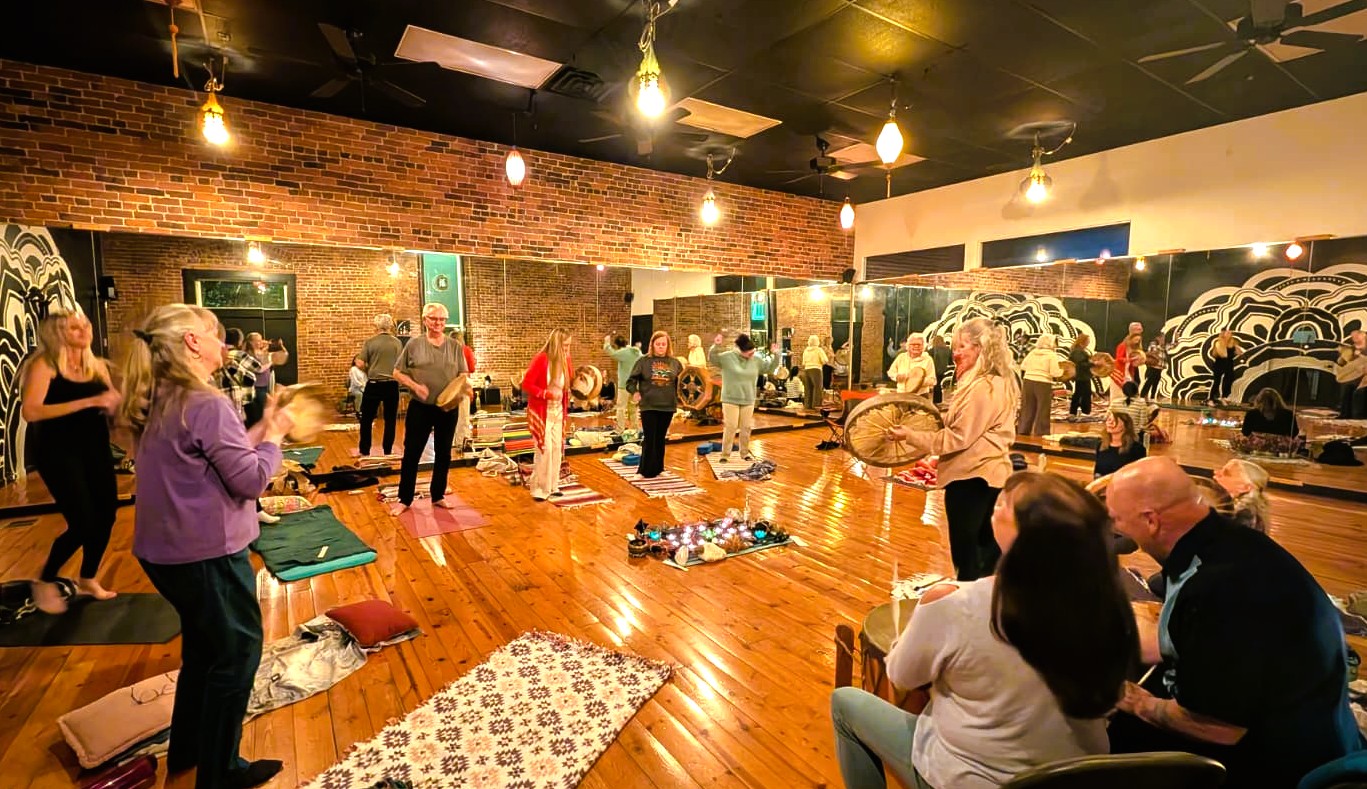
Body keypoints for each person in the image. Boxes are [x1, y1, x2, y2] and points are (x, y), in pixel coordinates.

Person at [830, 472, 1137, 789]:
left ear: (1024, 533)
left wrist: (902, 644)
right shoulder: (1109, 604)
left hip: (976, 779)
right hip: (1078, 776)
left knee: (844, 702)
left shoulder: (955, 602)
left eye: (1005, 502)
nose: (996, 504)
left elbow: (902, 675)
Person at [1106, 457, 1363, 788]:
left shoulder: (1220, 588)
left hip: (1279, 761)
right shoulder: (1223, 543)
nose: (1113, 529)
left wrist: (1136, 701)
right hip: (1291, 718)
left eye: (1116, 519)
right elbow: (1188, 640)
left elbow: (1219, 728)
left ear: (1151, 520)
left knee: (1107, 743)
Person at [119, 303, 291, 789]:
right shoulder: (204, 401)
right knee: (237, 655)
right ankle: (220, 773)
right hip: (206, 553)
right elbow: (250, 480)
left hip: (165, 553)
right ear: (192, 342)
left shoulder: (161, 394)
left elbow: (218, 455)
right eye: (215, 335)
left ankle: (189, 751)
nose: (224, 344)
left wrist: (263, 428)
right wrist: (276, 438)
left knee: (204, 650)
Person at [888, 318, 1018, 581]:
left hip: (973, 477)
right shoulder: (993, 382)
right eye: (954, 346)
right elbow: (967, 426)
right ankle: (984, 599)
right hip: (986, 475)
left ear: (981, 348)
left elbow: (958, 437)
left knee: (968, 555)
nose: (955, 353)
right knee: (984, 550)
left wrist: (909, 436)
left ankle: (972, 601)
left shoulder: (984, 387)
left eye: (962, 346)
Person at [19, 309, 122, 614]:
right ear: (57, 334)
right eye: (74, 327)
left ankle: (88, 577)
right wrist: (89, 401)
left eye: (85, 325)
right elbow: (31, 411)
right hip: (58, 451)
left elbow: (112, 404)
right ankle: (45, 579)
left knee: (106, 515)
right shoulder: (45, 365)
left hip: (95, 447)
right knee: (83, 521)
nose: (84, 330)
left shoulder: (96, 366)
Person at [389, 303, 467, 515]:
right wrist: (415, 386)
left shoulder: (454, 346)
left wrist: (460, 390)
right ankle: (404, 499)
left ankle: (438, 495)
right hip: (420, 407)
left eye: (442, 319)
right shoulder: (414, 344)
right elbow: (397, 372)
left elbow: (463, 374)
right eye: (433, 318)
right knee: (412, 453)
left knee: (444, 453)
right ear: (425, 320)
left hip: (447, 408)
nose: (438, 323)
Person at [709, 333, 778, 462]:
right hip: (730, 398)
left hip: (748, 398)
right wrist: (716, 345)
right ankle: (725, 455)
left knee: (746, 427)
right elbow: (713, 359)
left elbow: (769, 368)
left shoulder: (756, 360)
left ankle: (744, 453)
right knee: (731, 427)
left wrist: (776, 354)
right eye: (749, 353)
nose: (752, 355)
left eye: (753, 352)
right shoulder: (728, 357)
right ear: (740, 350)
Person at [522, 329, 572, 502]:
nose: (568, 349)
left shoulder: (566, 360)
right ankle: (539, 488)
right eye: (565, 345)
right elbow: (527, 384)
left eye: (569, 345)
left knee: (557, 447)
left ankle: (553, 486)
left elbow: (568, 384)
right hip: (541, 411)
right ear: (556, 344)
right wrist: (545, 394)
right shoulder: (542, 359)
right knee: (545, 449)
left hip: (558, 410)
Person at [626, 331, 682, 479]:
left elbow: (682, 383)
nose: (661, 347)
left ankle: (659, 468)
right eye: (658, 344)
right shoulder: (643, 361)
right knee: (649, 438)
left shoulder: (675, 363)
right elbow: (631, 381)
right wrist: (635, 392)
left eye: (663, 344)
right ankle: (643, 471)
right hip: (649, 405)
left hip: (668, 405)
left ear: (668, 345)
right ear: (652, 345)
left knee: (660, 438)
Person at [356, 313, 402, 457]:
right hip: (392, 385)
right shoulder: (397, 343)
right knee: (390, 420)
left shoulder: (370, 342)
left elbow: (360, 363)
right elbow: (401, 365)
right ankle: (388, 451)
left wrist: (369, 369)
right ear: (390, 326)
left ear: (376, 326)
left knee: (366, 419)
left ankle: (365, 451)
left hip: (374, 384)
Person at [1018, 333, 1063, 437]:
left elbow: (1023, 366)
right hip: (1043, 383)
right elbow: (1055, 373)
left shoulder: (1032, 352)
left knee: (1027, 407)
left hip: (1028, 381)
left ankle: (1023, 429)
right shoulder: (1051, 355)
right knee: (1043, 408)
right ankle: (1041, 431)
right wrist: (1062, 371)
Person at [242, 332, 288, 427]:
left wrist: (280, 346)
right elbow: (260, 369)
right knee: (258, 415)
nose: (261, 341)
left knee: (263, 413)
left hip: (263, 387)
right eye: (258, 340)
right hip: (255, 388)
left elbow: (284, 356)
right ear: (251, 342)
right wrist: (271, 361)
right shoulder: (248, 355)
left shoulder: (262, 353)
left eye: (261, 339)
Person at [1213, 459, 1271, 534]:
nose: (1216, 473)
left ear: (1245, 488)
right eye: (1221, 470)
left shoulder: (1243, 516)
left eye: (1226, 473)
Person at [604, 333, 643, 431]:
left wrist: (607, 342)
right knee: (633, 409)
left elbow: (612, 353)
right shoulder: (636, 351)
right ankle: (635, 430)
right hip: (635, 386)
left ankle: (620, 430)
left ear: (617, 345)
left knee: (621, 408)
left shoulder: (623, 352)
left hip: (624, 386)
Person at [1094, 410, 1146, 478]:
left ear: (1125, 425)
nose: (1110, 423)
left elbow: (1139, 475)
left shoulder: (1137, 448)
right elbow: (1097, 472)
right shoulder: (1101, 445)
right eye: (1109, 420)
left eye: (1115, 421)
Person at [887, 333, 936, 398]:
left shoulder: (928, 359)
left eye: (919, 344)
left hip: (920, 396)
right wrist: (896, 377)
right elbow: (891, 372)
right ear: (908, 346)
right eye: (913, 344)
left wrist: (917, 381)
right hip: (901, 394)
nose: (916, 346)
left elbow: (933, 380)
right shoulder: (901, 357)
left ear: (923, 346)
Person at [1110, 321, 1143, 400]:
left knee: (1136, 381)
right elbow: (1119, 358)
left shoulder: (1135, 346)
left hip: (1130, 368)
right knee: (1122, 387)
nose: (1137, 341)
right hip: (1122, 370)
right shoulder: (1123, 345)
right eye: (1136, 339)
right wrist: (1129, 360)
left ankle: (1131, 399)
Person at [1208, 329, 1240, 405]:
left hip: (1229, 364)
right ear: (1223, 334)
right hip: (1220, 364)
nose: (1230, 334)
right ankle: (1211, 399)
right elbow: (1224, 355)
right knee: (1217, 382)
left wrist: (1236, 347)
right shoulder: (1218, 343)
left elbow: (1239, 353)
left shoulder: (1233, 343)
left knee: (1229, 380)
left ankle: (1224, 397)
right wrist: (1225, 344)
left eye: (1230, 333)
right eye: (1228, 333)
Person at [1068, 333, 1093, 418]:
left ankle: (1075, 411)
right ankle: (1084, 411)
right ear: (1083, 341)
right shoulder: (1077, 351)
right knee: (1083, 394)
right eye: (1087, 341)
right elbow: (1080, 364)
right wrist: (1093, 363)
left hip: (1082, 376)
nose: (1088, 343)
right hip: (1081, 376)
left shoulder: (1078, 350)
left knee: (1080, 393)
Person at [801, 335, 829, 411]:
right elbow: (825, 360)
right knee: (817, 388)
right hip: (816, 369)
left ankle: (807, 405)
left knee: (808, 388)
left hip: (807, 370)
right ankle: (816, 405)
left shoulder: (805, 350)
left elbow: (803, 363)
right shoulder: (819, 350)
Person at [1141, 334, 1168, 400]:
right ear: (1158, 338)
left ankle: (1152, 397)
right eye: (1162, 338)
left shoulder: (1164, 346)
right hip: (1153, 367)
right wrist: (1156, 355)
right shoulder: (1153, 344)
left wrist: (1176, 340)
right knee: (1149, 382)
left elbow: (1172, 346)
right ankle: (1143, 395)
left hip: (1159, 368)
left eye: (1164, 338)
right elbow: (1151, 352)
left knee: (1156, 383)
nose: (1163, 340)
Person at [928, 335, 953, 404]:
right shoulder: (948, 350)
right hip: (944, 370)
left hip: (934, 369)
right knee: (938, 385)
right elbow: (951, 361)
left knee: (936, 385)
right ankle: (939, 400)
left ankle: (936, 401)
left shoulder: (932, 350)